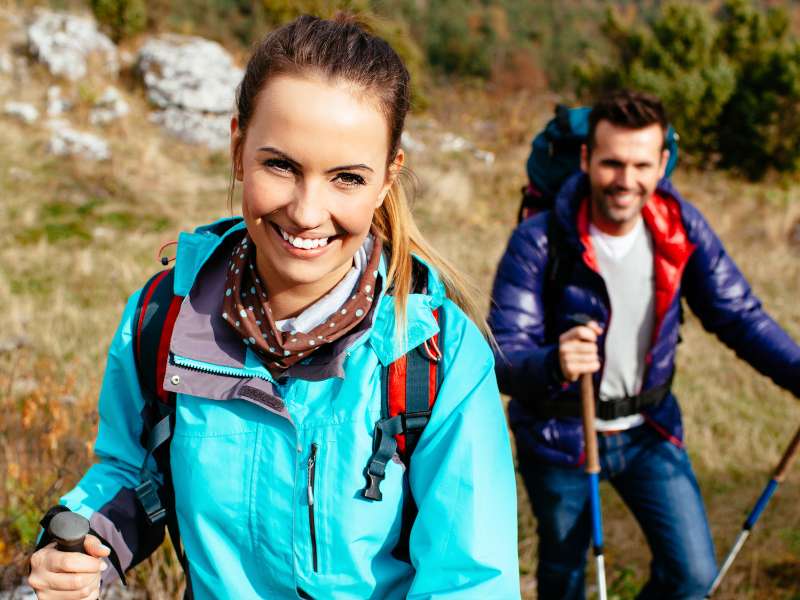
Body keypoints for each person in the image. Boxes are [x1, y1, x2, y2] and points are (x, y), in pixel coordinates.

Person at [28, 15, 520, 600]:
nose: (308, 212)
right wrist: (78, 549)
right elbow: (133, 470)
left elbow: (470, 581)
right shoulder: (163, 320)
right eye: (281, 165)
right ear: (238, 150)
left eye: (347, 178)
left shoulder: (437, 359)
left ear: (388, 179)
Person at [488, 89, 800, 599]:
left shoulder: (680, 228)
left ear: (662, 164)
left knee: (692, 578)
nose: (626, 181)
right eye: (612, 163)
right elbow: (504, 352)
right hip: (561, 434)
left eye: (640, 165)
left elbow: (738, 316)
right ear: (587, 159)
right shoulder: (539, 239)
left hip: (649, 431)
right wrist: (554, 362)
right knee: (564, 577)